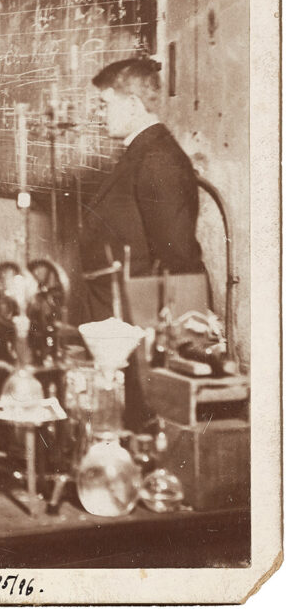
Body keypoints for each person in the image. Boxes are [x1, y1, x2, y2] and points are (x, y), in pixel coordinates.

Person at [80, 58, 205, 428]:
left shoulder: (157, 159)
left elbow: (178, 259)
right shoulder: (141, 153)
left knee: (135, 426)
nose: (99, 114)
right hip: (119, 322)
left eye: (105, 104)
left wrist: (164, 344)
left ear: (132, 105)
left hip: (137, 327)